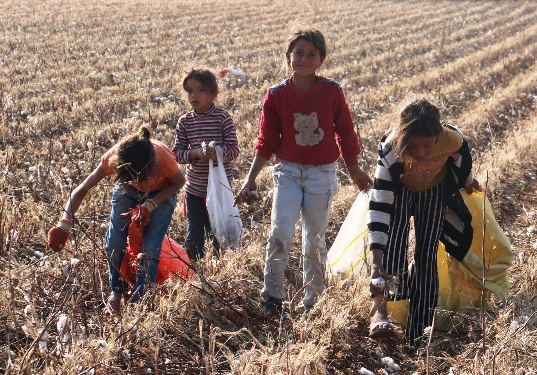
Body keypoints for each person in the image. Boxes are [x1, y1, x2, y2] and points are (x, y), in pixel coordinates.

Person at [236, 28, 372, 315]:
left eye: (312, 53)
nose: (304, 58)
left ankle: (313, 299)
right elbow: (267, 140)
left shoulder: (331, 91)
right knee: (280, 234)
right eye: (299, 52)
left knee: (314, 239)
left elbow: (345, 132)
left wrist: (353, 167)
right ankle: (272, 296)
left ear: (321, 59)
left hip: (322, 173)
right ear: (289, 56)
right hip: (287, 172)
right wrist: (250, 178)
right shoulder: (276, 95)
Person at [367, 99, 481, 344]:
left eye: (428, 146)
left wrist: (468, 179)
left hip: (434, 190)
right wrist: (376, 259)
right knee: (393, 247)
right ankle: (380, 314)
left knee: (427, 254)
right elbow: (380, 206)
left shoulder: (453, 139)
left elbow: (462, 162)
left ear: (438, 136)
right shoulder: (391, 150)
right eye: (413, 147)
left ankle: (420, 329)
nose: (420, 154)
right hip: (400, 190)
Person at [46, 126, 185, 315]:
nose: (140, 181)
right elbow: (82, 189)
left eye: (143, 177)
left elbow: (179, 182)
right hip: (126, 191)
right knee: (114, 244)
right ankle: (117, 293)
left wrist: (152, 203)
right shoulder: (114, 158)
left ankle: (140, 303)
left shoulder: (163, 158)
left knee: (150, 248)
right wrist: (64, 223)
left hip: (161, 194)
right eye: (134, 177)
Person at [172, 68, 240, 262]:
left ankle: (217, 270)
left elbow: (234, 150)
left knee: (217, 232)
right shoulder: (184, 122)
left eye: (200, 90)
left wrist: (217, 152)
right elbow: (177, 154)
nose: (194, 95)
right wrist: (195, 153)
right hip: (194, 190)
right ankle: (193, 270)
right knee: (194, 235)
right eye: (189, 91)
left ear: (213, 93)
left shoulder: (222, 118)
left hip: (218, 190)